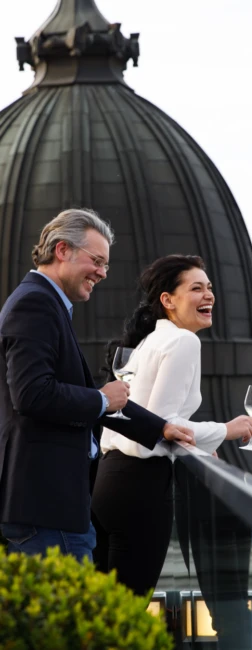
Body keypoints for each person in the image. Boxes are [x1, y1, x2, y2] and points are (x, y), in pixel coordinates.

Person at [0, 209, 194, 562]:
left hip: (54, 507)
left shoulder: (47, 304)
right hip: (47, 509)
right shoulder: (35, 304)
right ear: (62, 250)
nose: (103, 273)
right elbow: (32, 394)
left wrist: (161, 427)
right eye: (97, 261)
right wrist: (102, 400)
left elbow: (83, 396)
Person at [91, 254, 252, 594]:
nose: (209, 295)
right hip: (141, 489)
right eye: (196, 288)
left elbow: (145, 418)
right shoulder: (183, 341)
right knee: (125, 612)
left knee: (104, 609)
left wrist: (196, 445)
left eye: (209, 287)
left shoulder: (150, 340)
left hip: (108, 484)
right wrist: (228, 429)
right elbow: (161, 425)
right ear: (168, 300)